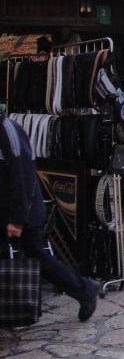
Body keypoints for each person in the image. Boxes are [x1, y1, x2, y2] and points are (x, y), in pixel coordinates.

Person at [0, 110, 99, 322]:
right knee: (37, 255)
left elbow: (22, 176)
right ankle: (84, 289)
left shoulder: (8, 131)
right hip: (9, 210)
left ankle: (85, 289)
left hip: (22, 211)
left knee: (39, 256)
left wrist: (18, 219)